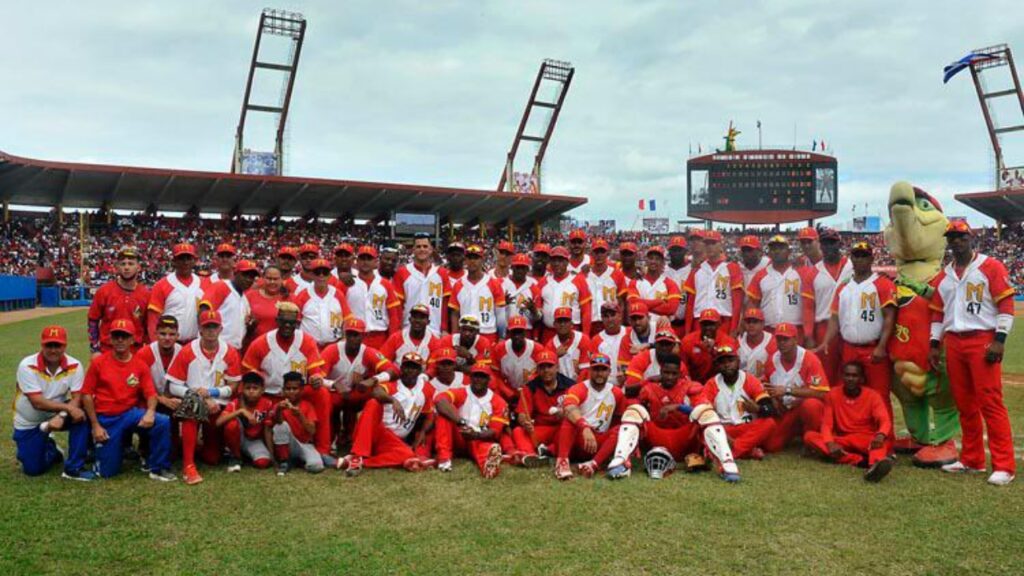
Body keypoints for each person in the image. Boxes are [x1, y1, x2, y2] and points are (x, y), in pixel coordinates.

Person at [928, 220, 1017, 486]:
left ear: (971, 238)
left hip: (982, 339)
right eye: (951, 237)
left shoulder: (990, 266)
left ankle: (1004, 466)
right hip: (954, 341)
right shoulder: (944, 275)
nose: (956, 241)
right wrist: (934, 343)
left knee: (990, 403)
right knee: (964, 404)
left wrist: (999, 340)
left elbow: (1006, 304)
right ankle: (972, 459)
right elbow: (937, 312)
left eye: (960, 237)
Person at [81, 319, 175, 481]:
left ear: (132, 340)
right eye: (116, 336)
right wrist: (95, 425)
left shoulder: (139, 365)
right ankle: (102, 456)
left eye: (124, 336)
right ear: (110, 339)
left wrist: (150, 412)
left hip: (130, 414)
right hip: (107, 418)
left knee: (162, 421)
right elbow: (86, 394)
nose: (120, 340)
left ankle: (158, 467)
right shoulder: (98, 363)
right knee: (107, 472)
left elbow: (150, 394)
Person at [242, 302, 335, 465]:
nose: (287, 325)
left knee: (322, 393)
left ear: (297, 323)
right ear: (277, 320)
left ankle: (323, 449)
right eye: (284, 321)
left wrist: (316, 378)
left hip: (297, 394)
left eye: (291, 322)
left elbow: (315, 371)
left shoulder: (306, 341)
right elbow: (248, 377)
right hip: (270, 396)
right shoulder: (261, 342)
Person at [818, 241, 897, 431]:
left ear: (871, 258)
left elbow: (889, 317)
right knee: (848, 393)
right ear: (851, 258)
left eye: (864, 255)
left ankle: (885, 440)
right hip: (849, 348)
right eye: (856, 255)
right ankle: (850, 432)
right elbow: (835, 318)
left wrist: (881, 346)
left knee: (879, 395)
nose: (860, 259)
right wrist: (827, 341)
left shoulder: (882, 283)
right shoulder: (844, 288)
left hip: (872, 347)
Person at [166, 310, 242, 485]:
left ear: (220, 328)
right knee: (192, 410)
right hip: (195, 403)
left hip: (218, 406)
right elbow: (173, 385)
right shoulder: (187, 351)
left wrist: (212, 394)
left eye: (214, 327)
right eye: (207, 327)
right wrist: (197, 396)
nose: (210, 331)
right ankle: (188, 465)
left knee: (212, 458)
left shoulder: (229, 352)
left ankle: (196, 447)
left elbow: (233, 386)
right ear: (200, 329)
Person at [604, 356, 705, 479]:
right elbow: (628, 395)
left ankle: (726, 464)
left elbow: (703, 411)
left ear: (680, 374)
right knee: (634, 409)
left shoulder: (691, 387)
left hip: (683, 436)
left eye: (674, 374)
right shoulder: (649, 389)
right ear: (660, 371)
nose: (669, 377)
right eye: (666, 373)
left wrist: (679, 407)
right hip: (657, 436)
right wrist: (647, 381)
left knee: (707, 415)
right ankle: (621, 461)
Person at [13, 326, 92, 480]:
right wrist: (65, 409)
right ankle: (51, 448)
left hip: (57, 415)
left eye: (58, 345)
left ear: (65, 346)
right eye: (49, 345)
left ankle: (74, 467)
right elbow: (37, 402)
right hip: (29, 421)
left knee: (81, 414)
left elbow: (77, 397)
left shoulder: (75, 365)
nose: (53, 350)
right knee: (33, 470)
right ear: (42, 345)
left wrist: (62, 415)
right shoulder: (27, 365)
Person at [341, 352, 435, 475]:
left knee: (408, 455)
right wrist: (392, 400)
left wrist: (422, 432)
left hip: (393, 440)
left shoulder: (426, 388)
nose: (410, 371)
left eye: (414, 367)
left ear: (419, 370)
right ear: (401, 368)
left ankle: (359, 462)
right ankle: (358, 455)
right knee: (373, 403)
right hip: (375, 432)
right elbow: (376, 391)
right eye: (407, 367)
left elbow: (428, 414)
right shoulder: (394, 385)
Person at [804, 361, 893, 482]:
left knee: (881, 443)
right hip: (843, 440)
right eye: (847, 375)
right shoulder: (832, 394)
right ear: (842, 377)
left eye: (854, 376)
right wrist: (830, 444)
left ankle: (875, 466)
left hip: (866, 439)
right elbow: (826, 424)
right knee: (810, 436)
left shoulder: (873, 396)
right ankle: (860, 461)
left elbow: (885, 420)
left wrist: (880, 435)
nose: (850, 379)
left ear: (861, 379)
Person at [320, 317, 399, 445]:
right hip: (334, 393)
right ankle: (328, 440)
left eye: (356, 335)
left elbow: (394, 370)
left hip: (355, 393)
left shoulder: (367, 352)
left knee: (374, 395)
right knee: (327, 400)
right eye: (349, 334)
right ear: (345, 334)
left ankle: (361, 438)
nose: (352, 339)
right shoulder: (332, 350)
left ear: (363, 336)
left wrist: (373, 379)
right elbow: (315, 377)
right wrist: (333, 384)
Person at [692, 343, 776, 460]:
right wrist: (722, 433)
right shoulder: (711, 384)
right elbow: (704, 412)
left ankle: (734, 449)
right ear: (717, 365)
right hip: (724, 430)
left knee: (769, 423)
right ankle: (747, 450)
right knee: (704, 432)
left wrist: (758, 409)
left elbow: (770, 409)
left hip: (746, 428)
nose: (727, 365)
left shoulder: (750, 380)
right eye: (722, 362)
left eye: (730, 360)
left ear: (738, 361)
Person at [554, 354, 623, 480]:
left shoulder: (616, 392)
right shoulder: (579, 388)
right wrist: (584, 427)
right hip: (579, 437)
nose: (599, 373)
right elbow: (568, 407)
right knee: (568, 420)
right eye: (596, 369)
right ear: (589, 370)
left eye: (603, 369)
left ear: (609, 371)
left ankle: (593, 464)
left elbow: (619, 417)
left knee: (622, 429)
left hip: (597, 441)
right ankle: (562, 462)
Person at [762, 323, 828, 454]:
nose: (782, 343)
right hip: (785, 410)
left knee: (811, 405)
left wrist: (788, 390)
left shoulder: (809, 359)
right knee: (771, 445)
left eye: (786, 339)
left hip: (803, 408)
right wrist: (772, 399)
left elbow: (822, 393)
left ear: (795, 340)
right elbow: (765, 384)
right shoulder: (771, 359)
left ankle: (811, 440)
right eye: (779, 339)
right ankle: (797, 434)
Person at [433, 363, 508, 478]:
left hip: (479, 439)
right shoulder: (461, 392)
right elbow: (439, 400)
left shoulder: (499, 402)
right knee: (444, 416)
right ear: (470, 378)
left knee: (487, 447)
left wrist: (476, 435)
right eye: (475, 376)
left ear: (488, 379)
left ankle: (488, 466)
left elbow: (494, 431)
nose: (478, 380)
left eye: (482, 377)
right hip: (458, 435)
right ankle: (444, 459)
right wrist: (461, 422)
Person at [801, 228, 852, 380]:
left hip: (850, 325)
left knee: (850, 371)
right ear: (820, 246)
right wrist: (809, 334)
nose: (829, 247)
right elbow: (808, 307)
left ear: (839, 244)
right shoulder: (813, 272)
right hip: (824, 325)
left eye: (832, 243)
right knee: (827, 373)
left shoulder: (853, 266)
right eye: (825, 243)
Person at [510, 349, 573, 466]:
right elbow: (522, 414)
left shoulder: (570, 385)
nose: (546, 370)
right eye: (542, 367)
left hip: (562, 428)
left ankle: (548, 451)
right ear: (537, 369)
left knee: (572, 431)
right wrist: (525, 422)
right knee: (518, 431)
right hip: (541, 428)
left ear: (557, 367)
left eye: (549, 366)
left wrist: (565, 414)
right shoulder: (530, 387)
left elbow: (578, 413)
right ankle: (532, 456)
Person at [746, 235, 814, 339]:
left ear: (789, 251)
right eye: (773, 249)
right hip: (768, 331)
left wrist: (809, 334)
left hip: (797, 330)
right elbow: (752, 304)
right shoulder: (760, 275)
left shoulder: (803, 272)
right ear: (768, 252)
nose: (777, 251)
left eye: (781, 248)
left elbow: (811, 304)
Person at [88, 245, 149, 355]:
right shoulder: (104, 291)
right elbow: (93, 320)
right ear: (117, 267)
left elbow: (149, 327)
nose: (126, 267)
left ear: (138, 267)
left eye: (131, 264)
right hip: (107, 351)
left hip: (135, 352)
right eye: (123, 264)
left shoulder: (146, 294)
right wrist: (95, 349)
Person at [683, 230, 743, 337]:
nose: (710, 247)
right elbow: (690, 304)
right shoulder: (696, 270)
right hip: (700, 321)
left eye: (713, 243)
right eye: (707, 244)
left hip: (724, 320)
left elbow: (737, 302)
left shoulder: (732, 268)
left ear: (721, 245)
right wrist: (687, 331)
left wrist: (734, 327)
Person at [147, 242, 207, 343]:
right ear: (174, 261)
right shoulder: (162, 285)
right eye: (181, 258)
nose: (185, 262)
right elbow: (153, 319)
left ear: (194, 261)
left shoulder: (204, 283)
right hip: (168, 344)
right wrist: (155, 344)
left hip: (194, 343)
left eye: (189, 258)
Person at [217, 371, 276, 472]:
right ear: (242, 389)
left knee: (262, 463)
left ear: (262, 390)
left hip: (254, 440)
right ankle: (235, 457)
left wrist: (272, 455)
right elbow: (218, 422)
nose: (251, 391)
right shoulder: (235, 403)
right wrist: (240, 411)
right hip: (238, 438)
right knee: (232, 424)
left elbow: (267, 429)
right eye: (248, 388)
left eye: (255, 388)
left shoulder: (267, 404)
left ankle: (246, 455)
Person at [393, 233, 450, 334]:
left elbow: (445, 304)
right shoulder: (402, 272)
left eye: (425, 246)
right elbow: (398, 306)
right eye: (418, 246)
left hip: (434, 329)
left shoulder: (442, 273)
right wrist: (398, 328)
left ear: (431, 249)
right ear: (413, 250)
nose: (422, 249)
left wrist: (444, 328)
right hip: (408, 328)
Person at [347, 245, 401, 350]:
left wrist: (392, 340)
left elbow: (394, 315)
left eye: (369, 259)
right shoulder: (348, 283)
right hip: (354, 336)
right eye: (362, 258)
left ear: (376, 262)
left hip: (380, 336)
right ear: (356, 261)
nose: (365, 262)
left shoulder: (385, 284)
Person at [532, 246, 592, 339]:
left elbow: (586, 310)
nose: (556, 264)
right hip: (548, 332)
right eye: (554, 260)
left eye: (560, 260)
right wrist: (536, 336)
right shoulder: (543, 282)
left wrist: (586, 335)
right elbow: (538, 311)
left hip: (573, 331)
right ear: (550, 262)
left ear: (567, 262)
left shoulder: (578, 280)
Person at [271, 372, 324, 475]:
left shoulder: (307, 405)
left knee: (316, 466)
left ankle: (296, 461)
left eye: (294, 389)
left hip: (305, 444)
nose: (291, 392)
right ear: (283, 390)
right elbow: (277, 425)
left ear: (301, 390)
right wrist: (278, 410)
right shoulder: (279, 405)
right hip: (288, 444)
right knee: (280, 426)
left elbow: (312, 431)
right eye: (288, 389)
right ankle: (284, 461)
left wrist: (300, 415)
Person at [449, 244, 506, 337]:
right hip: (465, 334)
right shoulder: (458, 285)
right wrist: (454, 336)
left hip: (488, 332)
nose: (472, 261)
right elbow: (455, 314)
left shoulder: (494, 284)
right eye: (469, 258)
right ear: (465, 260)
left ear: (482, 260)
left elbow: (500, 315)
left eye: (476, 258)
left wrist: (501, 337)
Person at [200, 258, 259, 349]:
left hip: (234, 349)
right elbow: (203, 311)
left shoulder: (244, 299)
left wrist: (251, 324)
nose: (248, 279)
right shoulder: (222, 286)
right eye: (245, 275)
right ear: (235, 273)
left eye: (251, 277)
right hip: (216, 347)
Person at [292, 258, 351, 347]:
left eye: (325, 272)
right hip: (309, 345)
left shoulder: (338, 294)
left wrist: (344, 338)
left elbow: (347, 318)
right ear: (312, 274)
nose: (321, 275)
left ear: (329, 275)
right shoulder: (303, 295)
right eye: (317, 272)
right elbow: (296, 322)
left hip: (334, 344)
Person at [490, 315, 548, 400]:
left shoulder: (537, 349)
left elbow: (544, 374)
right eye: (514, 332)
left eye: (520, 332)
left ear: (525, 332)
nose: (517, 336)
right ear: (509, 333)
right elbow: (495, 376)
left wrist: (528, 390)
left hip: (531, 391)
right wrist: (508, 392)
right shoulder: (499, 349)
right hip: (507, 392)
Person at [628, 246, 682, 324]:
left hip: (662, 328)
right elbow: (633, 303)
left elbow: (672, 309)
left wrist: (642, 305)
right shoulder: (635, 282)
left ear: (663, 262)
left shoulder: (670, 283)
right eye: (651, 258)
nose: (653, 261)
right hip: (641, 326)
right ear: (646, 260)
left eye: (657, 259)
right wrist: (659, 301)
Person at [585, 238, 629, 336]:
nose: (599, 255)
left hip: (612, 321)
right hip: (590, 322)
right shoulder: (585, 274)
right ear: (591, 254)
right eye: (596, 252)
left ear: (607, 253)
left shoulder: (617, 273)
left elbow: (622, 302)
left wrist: (620, 322)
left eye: (602, 251)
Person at [245, 265, 291, 348]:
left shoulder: (289, 298)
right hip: (253, 346)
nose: (272, 282)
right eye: (269, 278)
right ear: (262, 279)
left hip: (280, 347)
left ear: (281, 280)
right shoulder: (250, 295)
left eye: (276, 279)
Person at [544, 307, 592, 382]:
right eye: (559, 321)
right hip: (560, 387)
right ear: (554, 324)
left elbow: (586, 370)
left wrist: (576, 389)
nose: (562, 324)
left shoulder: (583, 339)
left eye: (565, 321)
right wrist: (555, 356)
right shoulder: (550, 345)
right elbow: (546, 372)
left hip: (581, 384)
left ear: (572, 324)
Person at [679, 309, 728, 383]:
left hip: (719, 383)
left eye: (711, 324)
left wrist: (713, 351)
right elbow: (683, 366)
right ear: (700, 324)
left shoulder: (727, 341)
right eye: (705, 324)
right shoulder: (688, 341)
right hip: (693, 383)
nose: (708, 327)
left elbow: (728, 367)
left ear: (718, 324)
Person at [590, 302, 630, 385]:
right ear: (602, 318)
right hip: (607, 385)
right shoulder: (596, 340)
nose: (610, 319)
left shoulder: (630, 332)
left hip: (630, 381)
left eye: (612, 315)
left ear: (620, 316)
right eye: (606, 316)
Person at [502, 253, 539, 335]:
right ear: (512, 267)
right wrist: (502, 304)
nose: (520, 270)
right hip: (506, 329)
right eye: (517, 267)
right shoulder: (501, 284)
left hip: (526, 330)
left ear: (527, 269)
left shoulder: (534, 287)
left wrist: (533, 310)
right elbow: (492, 311)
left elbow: (539, 317)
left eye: (523, 268)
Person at [738, 308, 776, 379]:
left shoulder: (772, 341)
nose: (751, 325)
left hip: (763, 384)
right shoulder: (738, 340)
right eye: (748, 322)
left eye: (755, 322)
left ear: (762, 324)